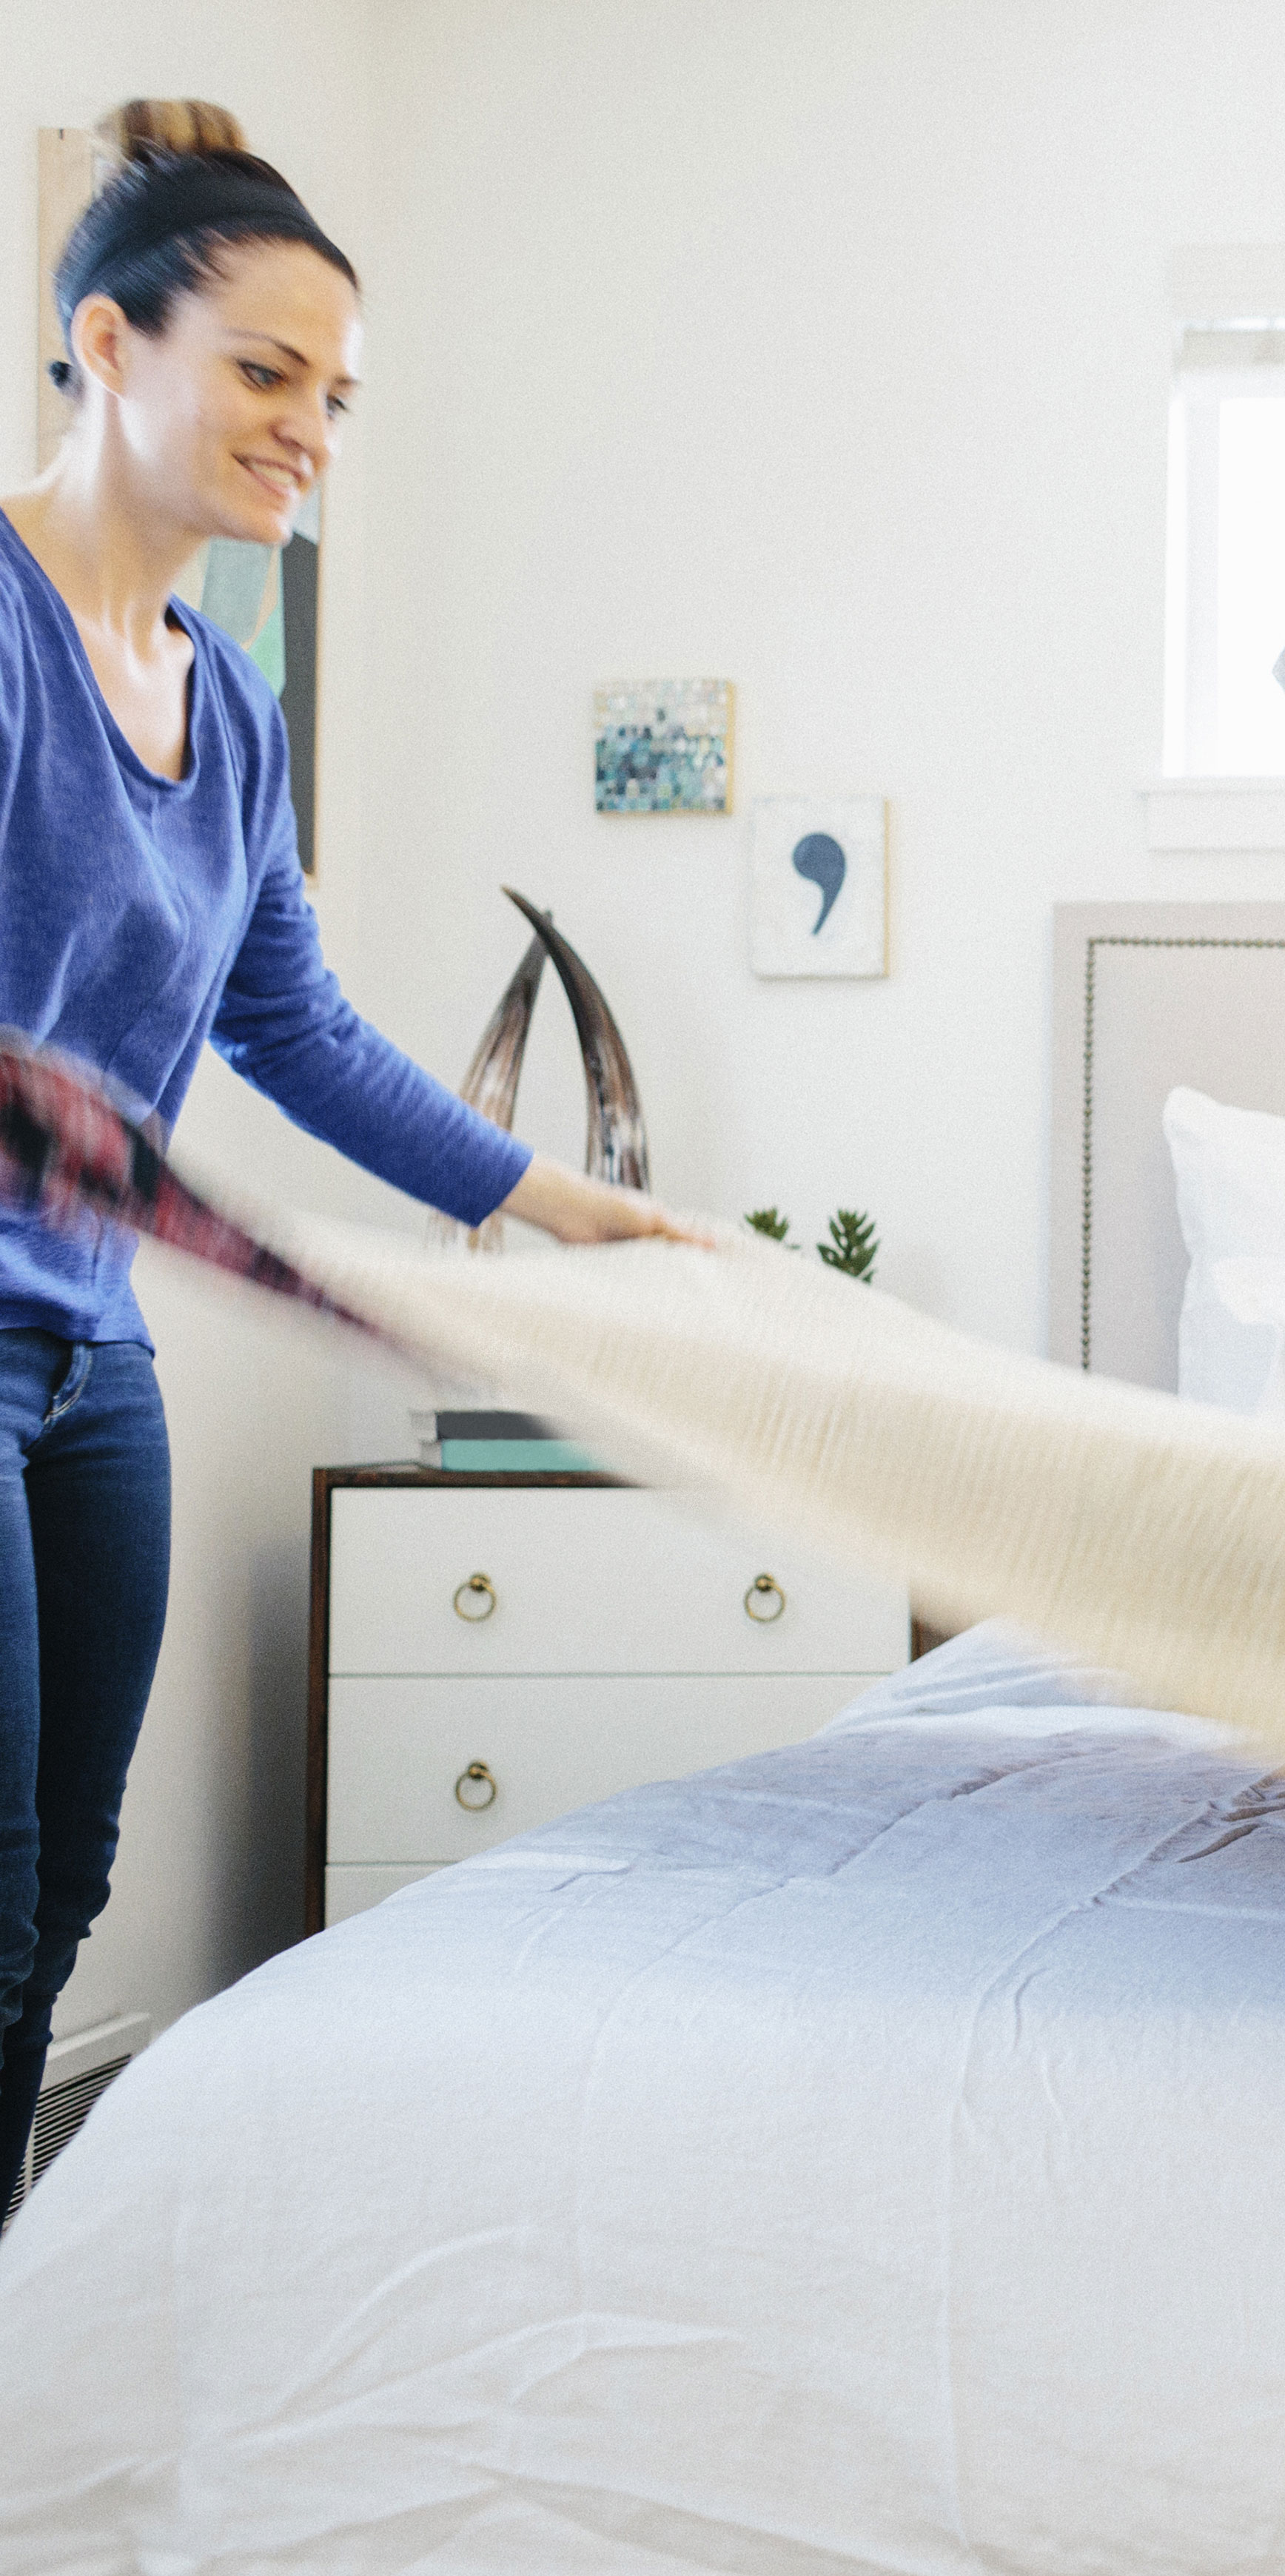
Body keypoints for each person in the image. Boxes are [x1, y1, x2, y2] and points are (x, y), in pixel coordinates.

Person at [0, 100, 690, 2203]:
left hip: (88, 1354)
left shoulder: (231, 695)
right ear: (110, 350)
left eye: (336, 395)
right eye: (266, 373)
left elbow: (281, 1020)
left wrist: (567, 1208)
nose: (309, 429)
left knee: (67, 1881)